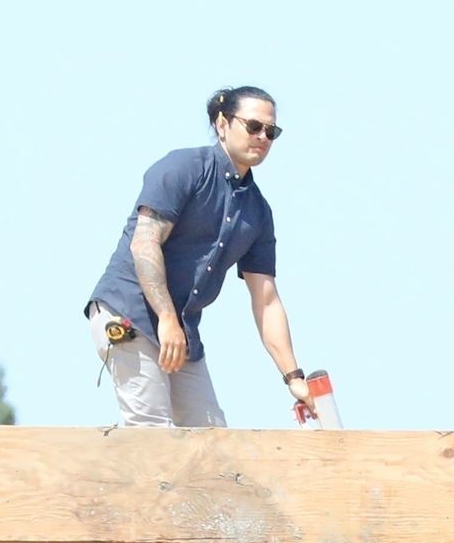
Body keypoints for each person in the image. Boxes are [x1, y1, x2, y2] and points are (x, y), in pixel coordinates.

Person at [85, 86, 317, 428]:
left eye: (271, 132)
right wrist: (166, 318)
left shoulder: (257, 212)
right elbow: (144, 244)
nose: (262, 137)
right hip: (130, 313)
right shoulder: (183, 168)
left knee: (212, 440)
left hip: (180, 331)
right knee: (151, 431)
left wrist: (293, 377)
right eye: (254, 126)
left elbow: (266, 300)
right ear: (222, 124)